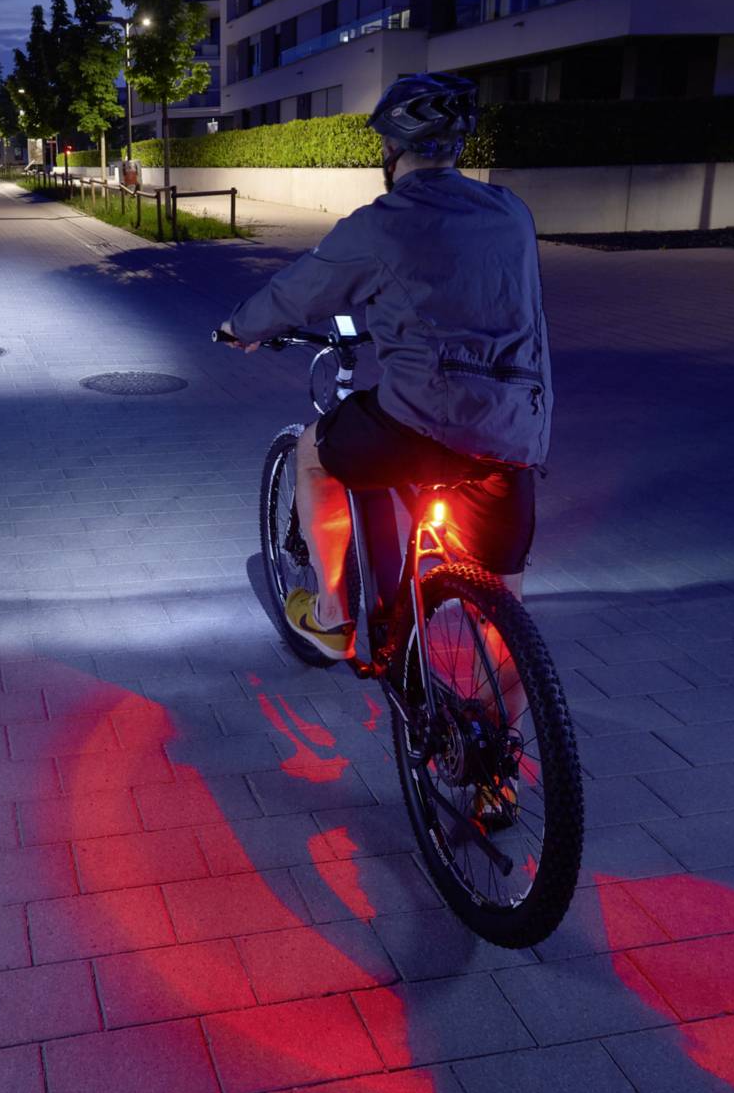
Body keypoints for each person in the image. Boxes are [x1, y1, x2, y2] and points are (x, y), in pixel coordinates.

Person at [218, 72, 554, 662]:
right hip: (515, 432)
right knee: (508, 618)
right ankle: (512, 746)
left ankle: (330, 617)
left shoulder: (381, 222)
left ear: (392, 149)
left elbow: (304, 290)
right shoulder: (513, 213)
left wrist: (240, 328)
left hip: (422, 423)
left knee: (314, 452)